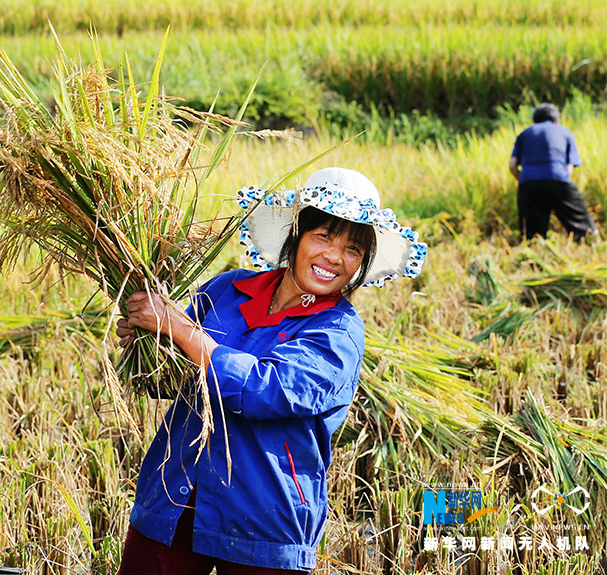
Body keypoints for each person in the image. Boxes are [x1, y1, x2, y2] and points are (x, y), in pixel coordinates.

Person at [115, 167, 426, 574]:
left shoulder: (338, 332)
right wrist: (148, 339)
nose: (334, 256)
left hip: (263, 519)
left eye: (352, 249)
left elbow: (266, 390)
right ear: (296, 235)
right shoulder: (227, 289)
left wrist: (180, 329)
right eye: (324, 236)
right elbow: (166, 379)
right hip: (176, 498)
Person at [509, 102, 598, 241]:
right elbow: (570, 166)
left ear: (535, 120)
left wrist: (525, 181)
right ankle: (592, 243)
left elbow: (512, 166)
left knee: (532, 236)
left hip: (528, 182)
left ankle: (534, 253)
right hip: (558, 178)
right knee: (584, 228)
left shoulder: (524, 134)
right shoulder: (564, 132)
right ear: (557, 120)